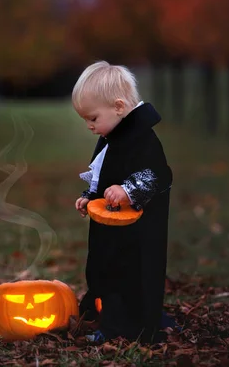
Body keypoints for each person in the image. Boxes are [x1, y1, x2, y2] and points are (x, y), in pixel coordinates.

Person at [72, 61, 175, 344]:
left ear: (118, 107)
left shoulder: (142, 140)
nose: (89, 126)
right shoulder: (111, 137)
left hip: (137, 235)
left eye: (92, 118)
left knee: (130, 276)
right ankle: (109, 319)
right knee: (106, 271)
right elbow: (102, 174)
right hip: (111, 230)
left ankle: (131, 327)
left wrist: (128, 190)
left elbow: (158, 175)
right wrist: (89, 197)